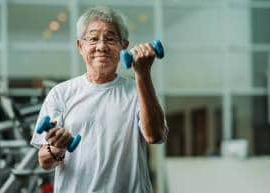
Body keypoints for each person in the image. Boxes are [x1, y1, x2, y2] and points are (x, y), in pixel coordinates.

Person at [30, 6, 168, 193]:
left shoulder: (139, 91)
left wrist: (142, 74)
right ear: (80, 46)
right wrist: (57, 148)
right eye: (93, 38)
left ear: (123, 46)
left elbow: (156, 136)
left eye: (110, 39)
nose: (101, 46)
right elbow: (44, 161)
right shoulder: (61, 93)